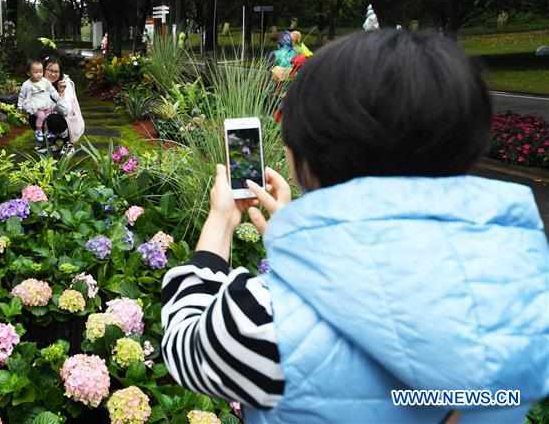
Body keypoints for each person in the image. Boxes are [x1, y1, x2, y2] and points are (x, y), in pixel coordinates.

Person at [161, 30, 549, 423]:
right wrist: (307, 242)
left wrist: (221, 222)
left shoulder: (265, 316)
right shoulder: (519, 293)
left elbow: (183, 345)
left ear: (303, 162)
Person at [17, 59, 60, 148]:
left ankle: (48, 132)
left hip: (45, 102)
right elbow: (22, 95)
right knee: (41, 116)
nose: (39, 74)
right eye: (36, 72)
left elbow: (52, 90)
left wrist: (57, 98)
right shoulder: (27, 84)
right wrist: (20, 106)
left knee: (49, 117)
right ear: (29, 73)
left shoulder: (45, 81)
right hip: (35, 105)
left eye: (41, 71)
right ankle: (38, 130)